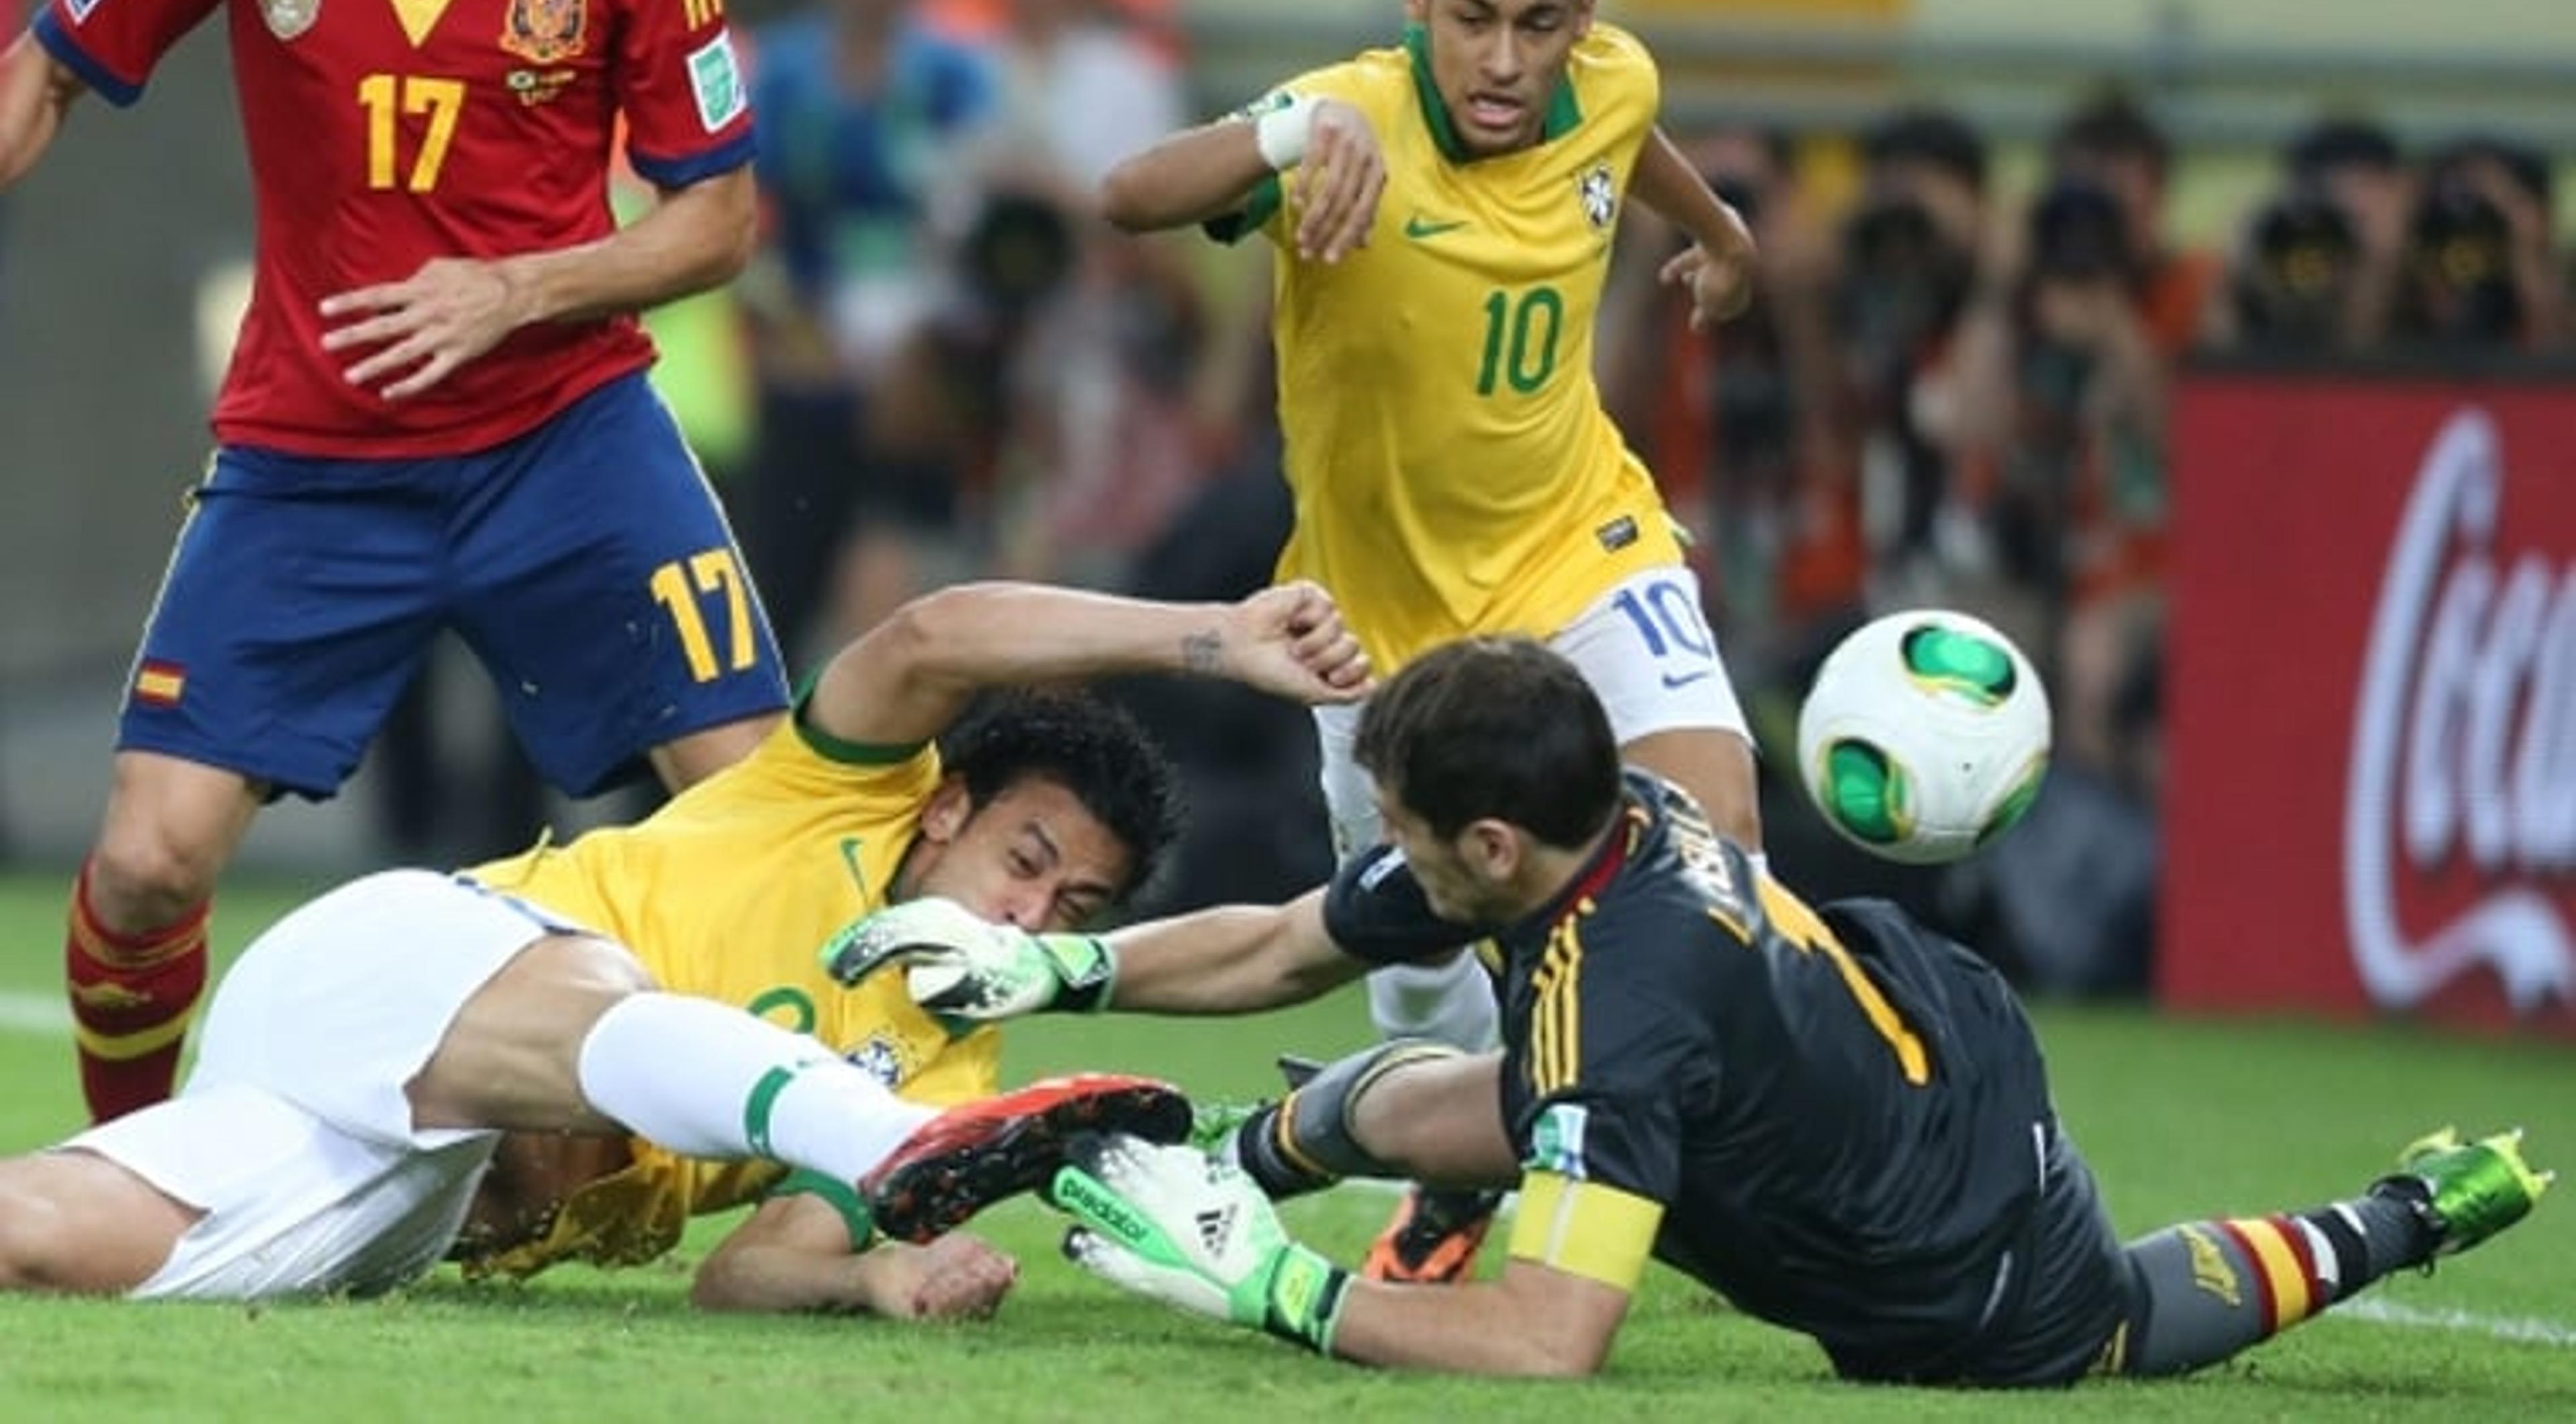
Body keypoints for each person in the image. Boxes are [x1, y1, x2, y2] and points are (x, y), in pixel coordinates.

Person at [832, 634, 2551, 1382]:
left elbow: (1546, 1340)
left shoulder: (1618, 1001)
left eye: (1417, 841)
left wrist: (1267, 1285)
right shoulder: (1594, 812)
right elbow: (1292, 939)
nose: (1395, 865)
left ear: (1490, 839)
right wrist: (1066, 965)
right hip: (1878, 1013)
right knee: (1410, 1094)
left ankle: (2399, 1211)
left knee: (2102, 1324)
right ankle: (1241, 1149)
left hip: (1961, 1247)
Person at [0, 0, 791, 1124]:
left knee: (771, 820)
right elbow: (44, 72)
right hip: (312, 457)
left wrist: (516, 289)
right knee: (147, 863)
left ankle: (841, 1184)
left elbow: (719, 218)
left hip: (567, 438)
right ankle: (137, 1166)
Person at [0, 576, 1373, 1310]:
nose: (1027, 916)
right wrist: (1213, 636)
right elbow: (937, 630)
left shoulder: (952, 1062)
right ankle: (868, 1139)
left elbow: (748, 1272)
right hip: (404, 967)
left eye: (1074, 912)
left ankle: (879, 1161)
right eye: (1025, 861)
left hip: (411, 1173)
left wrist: (884, 1277)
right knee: (616, 997)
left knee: (48, 1245)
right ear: (946, 807)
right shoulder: (832, 789)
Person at [1093, 0, 1761, 1282]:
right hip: (1378, 625)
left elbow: (1631, 137)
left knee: (1723, 865)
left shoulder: (1617, 78)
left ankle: (1732, 1176)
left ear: (1583, 16)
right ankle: (1453, 1170)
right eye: (1471, 17)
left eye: (1538, 24)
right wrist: (1283, 144)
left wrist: (1718, 235)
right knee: (1420, 975)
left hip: (1582, 544)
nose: (1505, 60)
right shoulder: (1349, 115)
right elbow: (1133, 193)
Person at [738, 0, 1002, 667]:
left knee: (904, 593)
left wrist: (936, 350)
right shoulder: (773, 71)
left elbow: (988, 228)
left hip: (928, 379)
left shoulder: (958, 75)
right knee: (768, 596)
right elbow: (739, 220)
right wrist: (782, 331)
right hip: (801, 367)